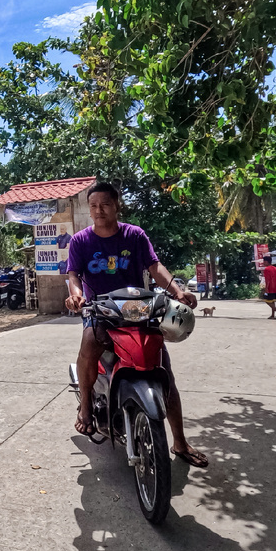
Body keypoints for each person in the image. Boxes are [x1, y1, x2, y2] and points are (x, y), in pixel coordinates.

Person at [64, 181, 208, 468]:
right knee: (90, 344)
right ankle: (85, 409)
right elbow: (74, 275)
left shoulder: (134, 235)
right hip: (101, 309)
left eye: (104, 204)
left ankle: (179, 441)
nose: (99, 210)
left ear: (117, 205)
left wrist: (178, 292)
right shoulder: (80, 241)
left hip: (138, 308)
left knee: (164, 372)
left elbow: (155, 267)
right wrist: (76, 297)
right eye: (93, 206)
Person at [260, 255, 276, 319]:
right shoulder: (275, 268)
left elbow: (268, 279)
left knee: (266, 300)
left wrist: (266, 288)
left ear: (267, 262)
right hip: (275, 287)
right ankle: (273, 315)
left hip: (270, 287)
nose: (263, 263)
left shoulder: (267, 269)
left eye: (264, 261)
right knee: (272, 301)